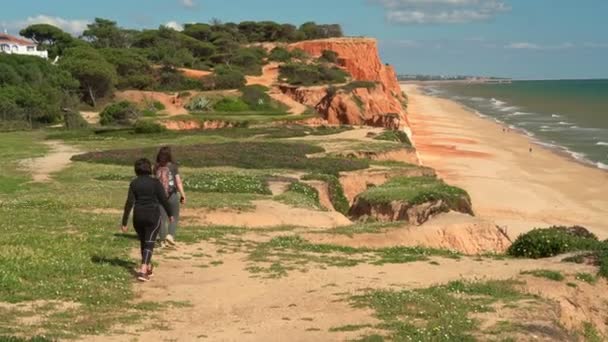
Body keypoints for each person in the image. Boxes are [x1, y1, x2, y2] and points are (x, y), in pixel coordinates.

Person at [121, 158, 174, 282]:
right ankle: (143, 270)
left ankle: (148, 267)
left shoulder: (134, 183)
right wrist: (170, 214)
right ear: (149, 168)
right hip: (152, 216)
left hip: (138, 217)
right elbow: (163, 200)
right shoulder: (155, 182)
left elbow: (129, 203)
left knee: (144, 242)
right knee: (149, 242)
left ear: (136, 170)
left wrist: (124, 221)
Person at [154, 146, 186, 246]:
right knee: (174, 217)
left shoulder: (155, 167)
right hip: (172, 194)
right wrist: (183, 195)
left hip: (159, 196)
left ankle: (162, 240)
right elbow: (178, 182)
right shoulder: (173, 166)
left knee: (162, 219)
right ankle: (170, 235)